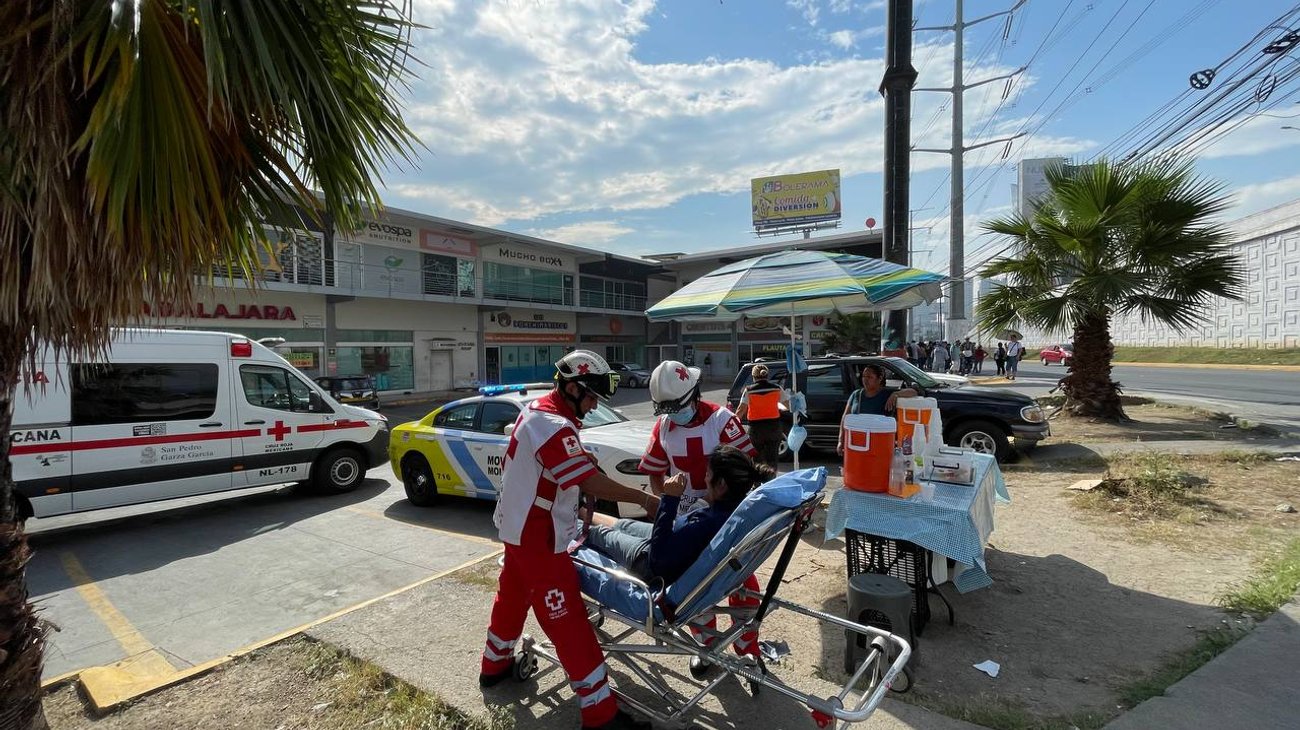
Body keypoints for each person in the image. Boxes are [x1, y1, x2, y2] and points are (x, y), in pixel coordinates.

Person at [480, 350, 655, 730]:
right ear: (573, 387)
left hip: (518, 526)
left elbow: (565, 467)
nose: (594, 406)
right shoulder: (552, 425)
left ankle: (494, 665)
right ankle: (600, 713)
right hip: (538, 536)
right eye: (591, 396)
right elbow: (588, 480)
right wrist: (644, 499)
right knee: (567, 620)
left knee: (512, 596)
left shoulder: (540, 412)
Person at [641, 360, 762, 676]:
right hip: (689, 522)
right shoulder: (664, 426)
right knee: (693, 589)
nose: (673, 415)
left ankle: (748, 651)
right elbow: (655, 472)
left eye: (676, 407)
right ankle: (706, 648)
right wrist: (666, 502)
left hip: (726, 517)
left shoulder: (722, 421)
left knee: (742, 583)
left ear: (693, 394)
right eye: (665, 409)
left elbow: (745, 467)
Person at [585, 445, 774, 586]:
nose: (705, 478)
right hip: (675, 544)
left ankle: (574, 526)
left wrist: (670, 499)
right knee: (623, 524)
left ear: (722, 484)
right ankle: (581, 512)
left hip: (653, 563)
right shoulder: (733, 511)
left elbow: (658, 558)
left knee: (599, 534)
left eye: (708, 474)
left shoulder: (706, 523)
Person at [836, 364, 918, 456]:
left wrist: (896, 394)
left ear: (879, 379)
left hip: (880, 444)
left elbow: (913, 392)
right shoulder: (856, 395)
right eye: (864, 376)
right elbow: (845, 419)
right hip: (858, 443)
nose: (865, 380)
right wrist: (841, 441)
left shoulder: (886, 394)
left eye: (870, 377)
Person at [735, 364, 787, 471]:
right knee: (772, 458)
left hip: (756, 429)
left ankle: (757, 484)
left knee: (756, 457)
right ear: (767, 376)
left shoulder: (749, 390)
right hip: (774, 427)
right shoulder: (777, 388)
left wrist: (733, 422)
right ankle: (771, 482)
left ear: (754, 377)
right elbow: (788, 405)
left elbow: (741, 410)